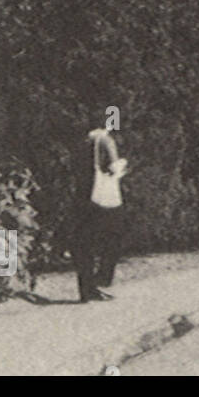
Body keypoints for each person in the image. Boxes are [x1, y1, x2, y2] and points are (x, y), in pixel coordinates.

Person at [72, 128, 129, 302]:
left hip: (82, 195)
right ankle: (101, 279)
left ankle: (87, 289)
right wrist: (123, 165)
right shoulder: (105, 140)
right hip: (103, 198)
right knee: (115, 239)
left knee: (84, 245)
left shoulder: (81, 140)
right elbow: (114, 168)